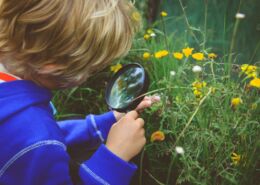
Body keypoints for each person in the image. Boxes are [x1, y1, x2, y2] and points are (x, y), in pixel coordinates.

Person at [0, 0, 160, 184]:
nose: (89, 75)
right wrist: (114, 158)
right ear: (52, 66)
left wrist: (104, 124)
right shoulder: (39, 143)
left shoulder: (17, 116)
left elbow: (20, 138)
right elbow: (38, 142)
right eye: (92, 69)